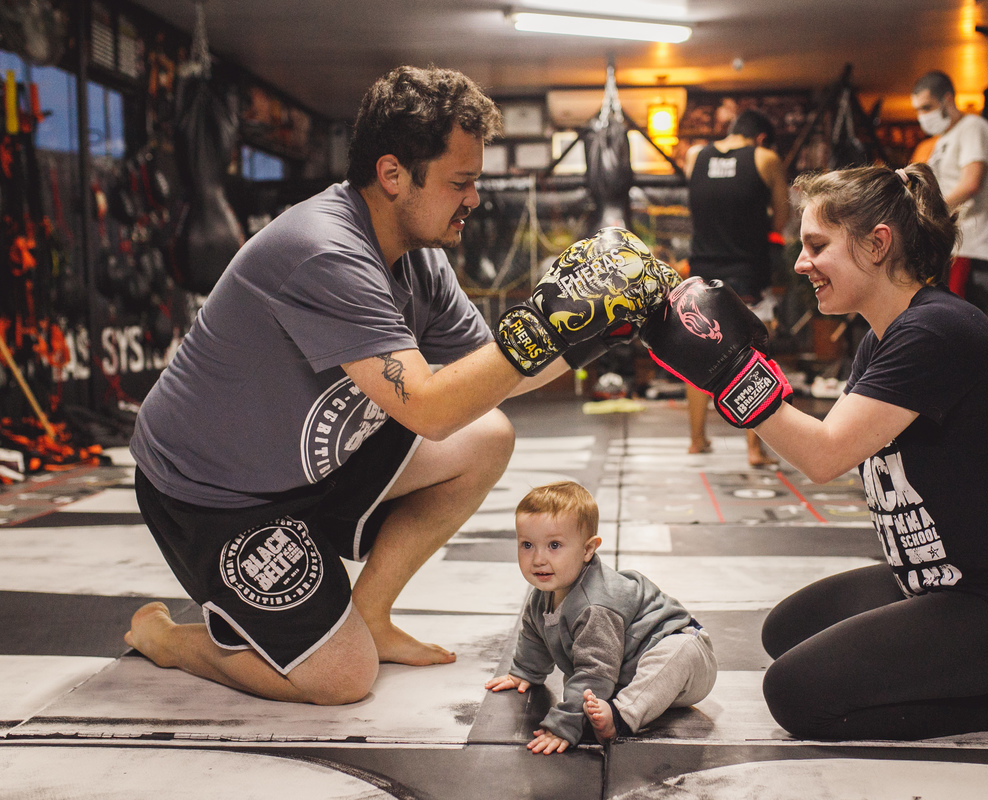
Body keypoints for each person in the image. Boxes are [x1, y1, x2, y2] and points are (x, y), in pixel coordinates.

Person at [125, 66, 673, 706]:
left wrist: (607, 332)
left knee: (487, 435)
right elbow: (432, 409)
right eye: (459, 183)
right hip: (213, 495)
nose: (474, 199)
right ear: (392, 174)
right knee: (341, 679)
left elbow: (488, 377)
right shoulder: (326, 251)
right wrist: (546, 323)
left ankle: (370, 616)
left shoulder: (419, 259)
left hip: (310, 468)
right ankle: (170, 640)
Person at [639, 163, 988, 740]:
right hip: (933, 579)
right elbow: (824, 439)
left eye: (817, 245)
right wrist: (730, 369)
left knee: (797, 695)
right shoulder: (881, 340)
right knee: (785, 632)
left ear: (877, 244)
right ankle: (983, 673)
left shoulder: (937, 331)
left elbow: (824, 457)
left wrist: (728, 373)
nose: (801, 263)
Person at [485, 482, 717, 752]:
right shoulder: (542, 595)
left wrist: (566, 723)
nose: (538, 559)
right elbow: (534, 635)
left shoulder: (595, 606)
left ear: (587, 550)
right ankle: (622, 699)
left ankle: (620, 717)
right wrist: (525, 671)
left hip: (687, 661)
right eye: (527, 545)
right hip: (626, 673)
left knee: (677, 652)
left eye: (554, 545)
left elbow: (594, 671)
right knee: (594, 682)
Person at [684, 108, 791, 466]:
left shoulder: (695, 155)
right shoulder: (765, 159)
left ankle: (697, 440)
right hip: (746, 271)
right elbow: (782, 218)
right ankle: (754, 449)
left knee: (699, 354)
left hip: (701, 270)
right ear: (761, 139)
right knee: (752, 355)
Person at [910, 70, 988, 317]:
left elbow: (971, 183)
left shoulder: (972, 127)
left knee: (959, 321)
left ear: (948, 100)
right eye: (918, 110)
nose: (922, 116)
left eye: (927, 107)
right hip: (949, 247)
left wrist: (927, 214)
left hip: (970, 246)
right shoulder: (942, 140)